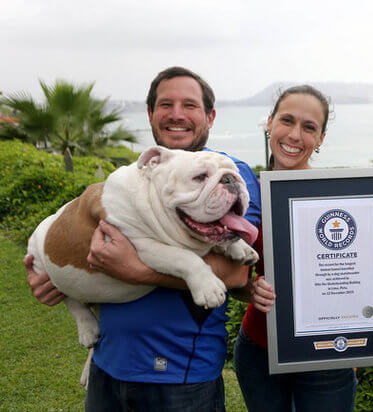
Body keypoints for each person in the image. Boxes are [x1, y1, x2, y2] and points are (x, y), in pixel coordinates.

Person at [24, 66, 261, 412]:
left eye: (190, 105)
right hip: (108, 361)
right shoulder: (140, 177)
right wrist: (58, 280)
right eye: (165, 104)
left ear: (210, 116)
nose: (177, 114)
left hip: (180, 374)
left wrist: (136, 270)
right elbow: (83, 242)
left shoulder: (229, 174)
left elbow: (235, 275)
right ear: (150, 114)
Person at [233, 85, 373, 412]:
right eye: (286, 121)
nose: (295, 135)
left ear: (320, 139)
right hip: (259, 350)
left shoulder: (341, 197)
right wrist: (249, 291)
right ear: (269, 123)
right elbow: (229, 278)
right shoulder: (247, 194)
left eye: (309, 127)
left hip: (329, 358)